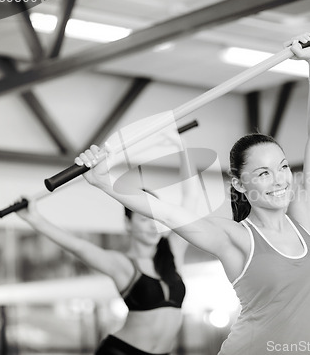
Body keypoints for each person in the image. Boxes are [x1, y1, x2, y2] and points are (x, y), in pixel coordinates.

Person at [76, 33, 310, 354]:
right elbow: (168, 213)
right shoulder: (236, 237)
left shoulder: (306, 220)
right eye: (263, 173)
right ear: (239, 183)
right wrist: (104, 182)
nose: (279, 180)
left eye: (282, 167)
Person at [16, 138, 196, 355]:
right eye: (144, 219)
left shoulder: (173, 250)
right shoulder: (122, 264)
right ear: (128, 225)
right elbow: (78, 246)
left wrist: (182, 148)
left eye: (156, 219)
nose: (153, 226)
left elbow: (191, 199)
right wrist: (34, 219)